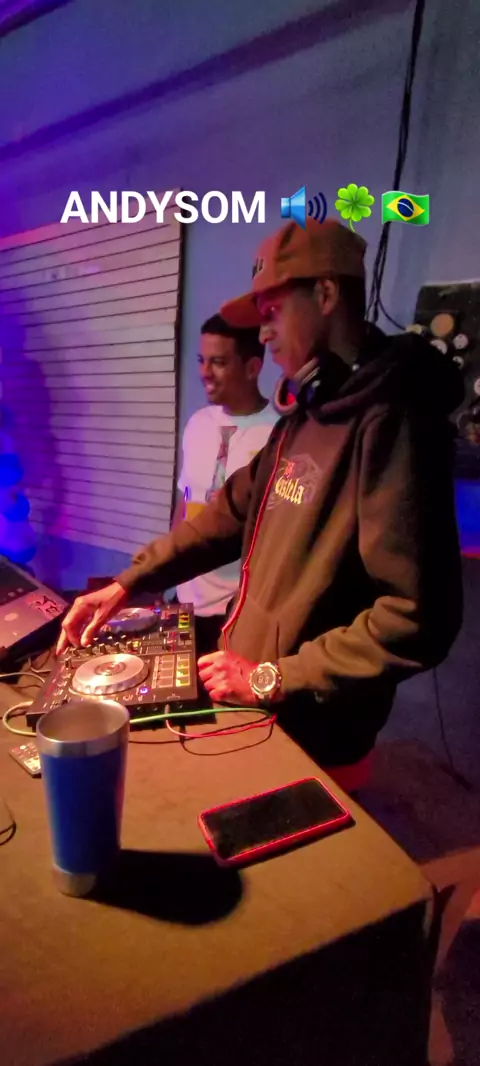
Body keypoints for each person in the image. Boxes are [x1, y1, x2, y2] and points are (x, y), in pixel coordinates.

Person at [57, 218, 463, 783]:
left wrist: (273, 678)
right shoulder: (306, 414)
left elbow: (418, 617)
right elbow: (228, 513)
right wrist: (128, 582)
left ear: (326, 295)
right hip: (252, 699)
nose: (264, 334)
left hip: (310, 728)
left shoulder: (394, 420)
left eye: (272, 312)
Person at [171, 314, 278, 656]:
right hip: (185, 601)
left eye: (218, 362)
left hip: (236, 610)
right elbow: (185, 501)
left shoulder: (278, 434)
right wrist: (167, 572)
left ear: (252, 368)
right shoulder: (198, 423)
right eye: (201, 360)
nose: (204, 372)